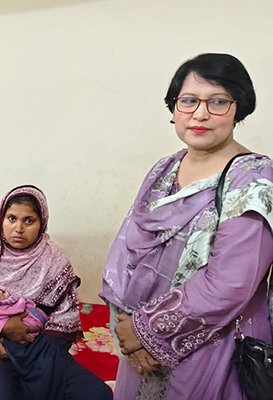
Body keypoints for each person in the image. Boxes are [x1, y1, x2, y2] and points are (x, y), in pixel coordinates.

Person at [101, 53, 273, 400]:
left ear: (239, 108)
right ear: (174, 107)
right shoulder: (164, 169)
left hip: (214, 348)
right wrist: (127, 329)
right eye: (189, 100)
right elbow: (127, 250)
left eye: (218, 102)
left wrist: (146, 331)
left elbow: (229, 285)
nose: (200, 114)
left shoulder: (253, 180)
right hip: (138, 345)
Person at [0, 185, 113, 400]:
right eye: (12, 218)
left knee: (98, 394)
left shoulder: (53, 259)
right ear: (1, 219)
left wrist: (22, 344)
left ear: (42, 223)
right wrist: (2, 330)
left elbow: (65, 317)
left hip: (37, 349)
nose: (18, 229)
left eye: (29, 221)